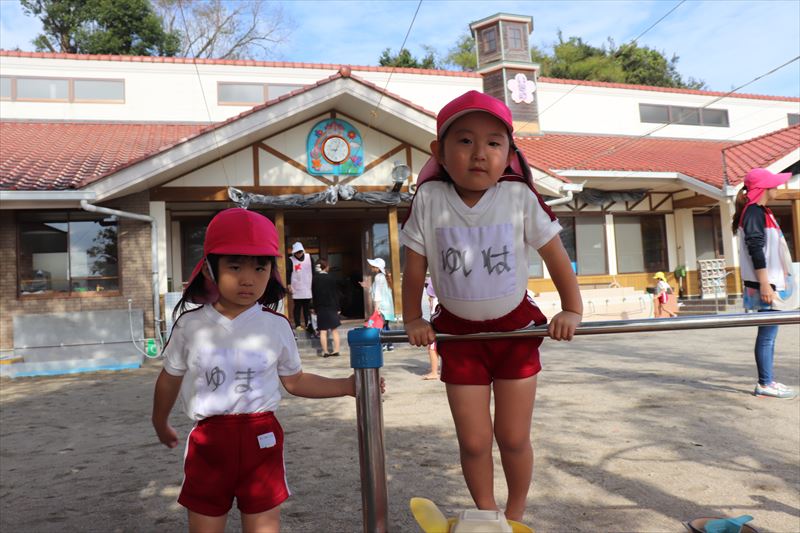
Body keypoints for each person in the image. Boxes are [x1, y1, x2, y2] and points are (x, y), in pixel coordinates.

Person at [400, 90, 582, 521]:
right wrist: (413, 318)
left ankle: (515, 515)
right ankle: (487, 514)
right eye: (464, 140)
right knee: (474, 441)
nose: (479, 152)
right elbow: (413, 266)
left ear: (510, 153)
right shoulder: (429, 199)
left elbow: (555, 254)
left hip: (515, 333)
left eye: (494, 142)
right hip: (459, 337)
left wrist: (571, 308)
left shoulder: (518, 197)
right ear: (439, 152)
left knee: (513, 437)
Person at [151, 208, 359, 532]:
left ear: (271, 270)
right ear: (209, 268)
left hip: (262, 440)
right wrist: (159, 421)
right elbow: (169, 377)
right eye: (235, 267)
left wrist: (346, 386)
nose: (248, 279)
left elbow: (295, 380)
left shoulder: (276, 325)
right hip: (209, 442)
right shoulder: (189, 325)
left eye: (260, 267)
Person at [732, 167, 797, 399]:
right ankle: (765, 383)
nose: (777, 186)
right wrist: (765, 284)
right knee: (767, 336)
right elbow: (755, 249)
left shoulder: (760, 211)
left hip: (768, 283)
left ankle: (767, 380)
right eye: (773, 183)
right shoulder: (754, 212)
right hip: (764, 284)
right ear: (763, 188)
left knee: (769, 335)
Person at [311, 258, 342, 357]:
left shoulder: (315, 279)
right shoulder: (331, 278)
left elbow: (314, 294)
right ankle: (336, 350)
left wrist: (314, 308)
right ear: (326, 267)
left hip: (321, 307)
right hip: (332, 306)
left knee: (323, 331)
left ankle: (325, 352)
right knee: (334, 330)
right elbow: (335, 294)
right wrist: (338, 308)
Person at [366, 257, 396, 351]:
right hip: (388, 306)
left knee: (380, 325)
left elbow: (377, 293)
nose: (371, 267)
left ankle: (383, 344)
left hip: (381, 305)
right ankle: (390, 344)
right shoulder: (384, 276)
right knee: (385, 325)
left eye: (373, 266)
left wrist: (376, 307)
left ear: (377, 267)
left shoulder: (378, 277)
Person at [287, 241, 313, 334]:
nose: (299, 254)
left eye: (300, 252)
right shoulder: (291, 260)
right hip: (296, 287)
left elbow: (313, 271)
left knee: (307, 307)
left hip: (307, 286)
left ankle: (308, 324)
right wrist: (289, 284)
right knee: (297, 306)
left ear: (303, 251)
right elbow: (288, 273)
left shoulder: (309, 257)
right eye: (297, 252)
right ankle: (298, 324)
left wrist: (314, 284)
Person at [422, 276, 440, 380]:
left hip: (436, 328)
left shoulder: (434, 300)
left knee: (432, 348)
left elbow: (433, 315)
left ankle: (434, 372)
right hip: (445, 327)